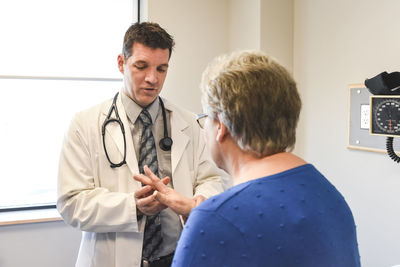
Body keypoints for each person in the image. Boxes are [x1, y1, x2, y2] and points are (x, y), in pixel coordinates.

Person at [140, 50, 361, 266]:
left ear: (221, 127)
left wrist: (202, 223)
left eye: (206, 117)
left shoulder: (214, 220)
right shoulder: (331, 197)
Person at [57, 22, 225, 267]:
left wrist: (193, 204)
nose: (152, 78)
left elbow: (211, 180)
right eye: (141, 66)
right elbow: (71, 202)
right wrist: (132, 206)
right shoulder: (85, 124)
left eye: (162, 69)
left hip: (177, 257)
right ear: (121, 63)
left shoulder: (188, 122)